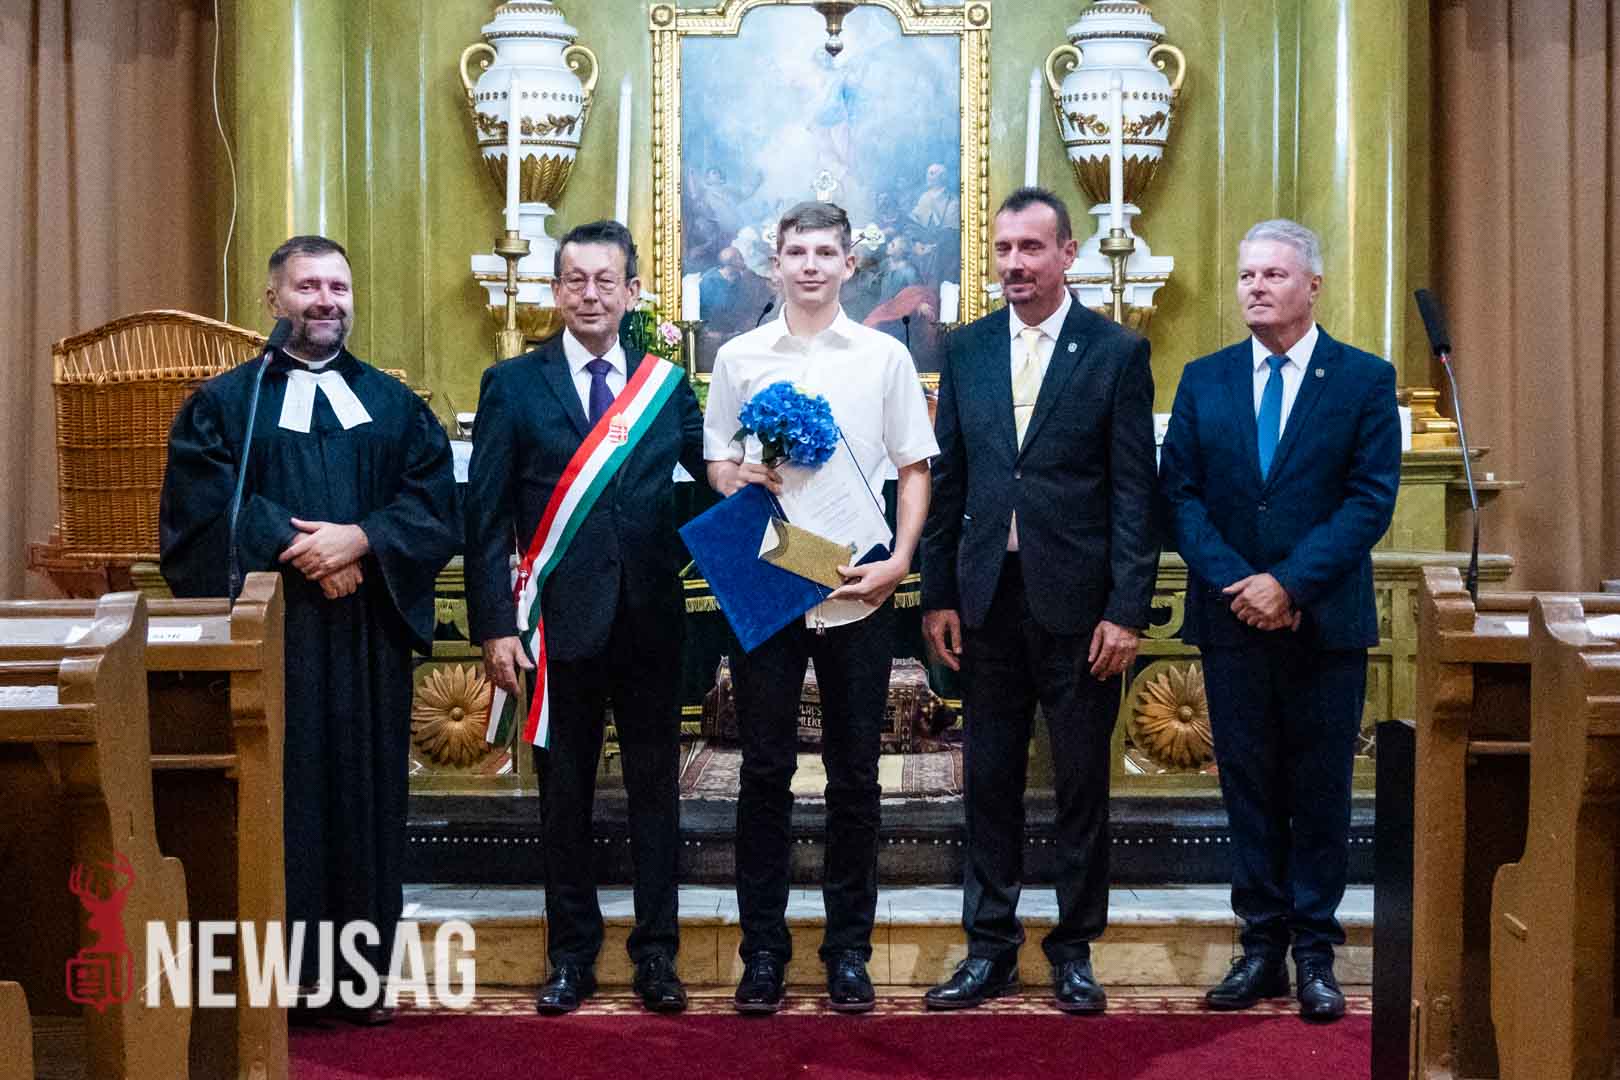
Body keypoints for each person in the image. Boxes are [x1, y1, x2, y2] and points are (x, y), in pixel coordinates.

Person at [159, 234, 460, 1022]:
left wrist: (363, 539)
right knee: (278, 802)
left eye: (338, 287)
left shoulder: (395, 406)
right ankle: (281, 987)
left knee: (364, 805)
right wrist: (304, 549)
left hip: (366, 643)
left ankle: (358, 984)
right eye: (308, 287)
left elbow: (434, 507)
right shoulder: (226, 403)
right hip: (273, 637)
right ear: (273, 299)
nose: (326, 301)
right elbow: (199, 510)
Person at [919, 187, 1158, 1013]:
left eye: (1031, 248)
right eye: (1004, 249)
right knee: (988, 780)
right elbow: (950, 477)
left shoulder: (1116, 352)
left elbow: (1135, 493)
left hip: (1082, 609)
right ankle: (989, 945)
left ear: (1067, 255)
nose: (1015, 264)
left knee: (1081, 782)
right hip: (988, 600)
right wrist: (938, 593)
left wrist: (1127, 610)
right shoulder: (968, 348)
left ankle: (1074, 948)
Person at [1159, 219, 1400, 1023]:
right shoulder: (1205, 379)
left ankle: (1315, 954)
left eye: (1273, 274)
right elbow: (1179, 497)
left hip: (1323, 624)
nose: (1256, 287)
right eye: (1247, 275)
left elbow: (1370, 499)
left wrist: (1289, 585)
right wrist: (1241, 583)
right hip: (1232, 621)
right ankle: (1260, 947)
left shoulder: (1363, 379)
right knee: (1250, 789)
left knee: (1321, 790)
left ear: (1313, 286)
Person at [464, 219, 705, 1016]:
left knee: (655, 794)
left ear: (633, 292)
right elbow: (484, 515)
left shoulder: (666, 385)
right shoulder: (512, 384)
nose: (590, 294)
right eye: (575, 279)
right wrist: (495, 626)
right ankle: (570, 955)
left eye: (606, 280)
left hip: (650, 622)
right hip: (555, 626)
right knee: (563, 795)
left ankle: (657, 955)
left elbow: (715, 481)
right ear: (555, 289)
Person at [703, 201, 937, 1014]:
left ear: (849, 264)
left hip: (856, 585)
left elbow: (915, 466)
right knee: (764, 771)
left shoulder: (883, 357)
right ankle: (763, 953)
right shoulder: (739, 357)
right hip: (769, 577)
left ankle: (847, 953)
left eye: (824, 253)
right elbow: (717, 462)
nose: (809, 265)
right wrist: (737, 477)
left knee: (855, 776)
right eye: (796, 251)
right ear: (775, 262)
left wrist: (900, 561)